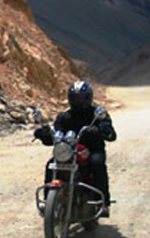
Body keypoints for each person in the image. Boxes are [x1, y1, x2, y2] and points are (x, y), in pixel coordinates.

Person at [34, 80, 116, 216]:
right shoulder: (64, 116)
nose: (78, 101)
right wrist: (44, 134)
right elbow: (55, 135)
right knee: (51, 164)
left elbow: (111, 134)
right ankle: (49, 201)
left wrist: (99, 130)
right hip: (69, 151)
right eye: (74, 98)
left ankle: (103, 204)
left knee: (97, 163)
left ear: (88, 98)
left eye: (81, 98)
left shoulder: (97, 114)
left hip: (92, 150)